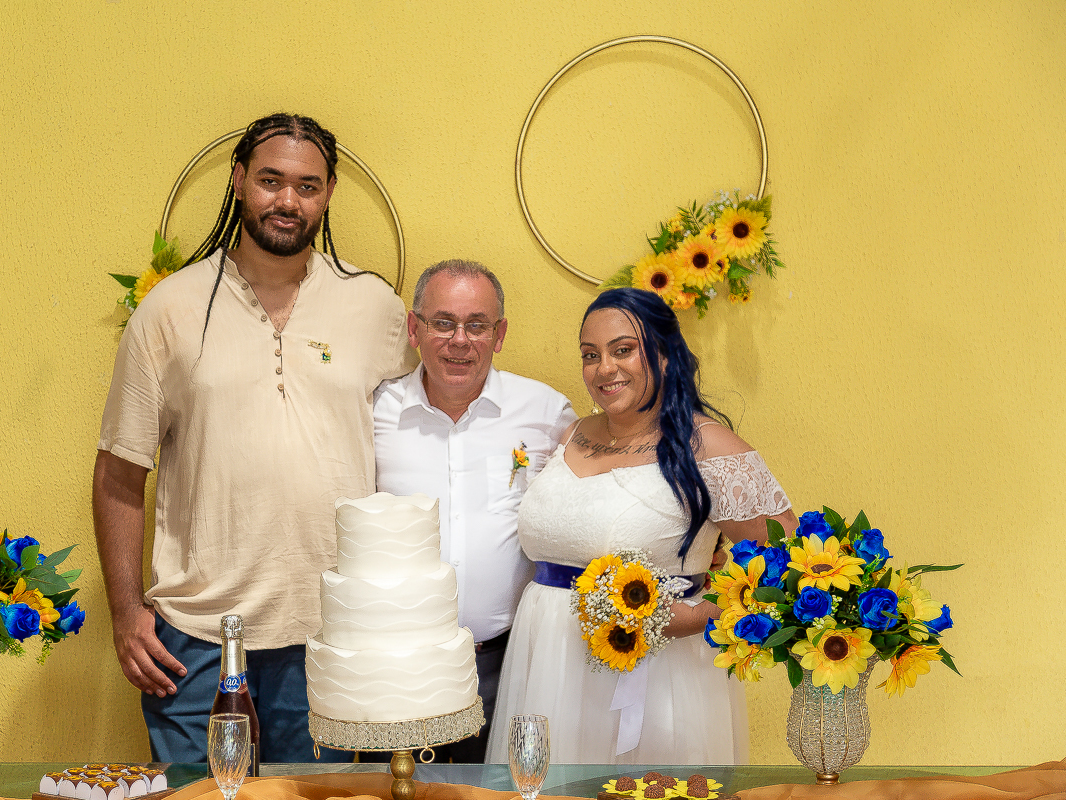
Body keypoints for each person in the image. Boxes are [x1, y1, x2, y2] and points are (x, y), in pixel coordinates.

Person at [93, 113, 413, 763]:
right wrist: (126, 614)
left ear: (328, 195)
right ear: (238, 180)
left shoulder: (375, 306)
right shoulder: (170, 308)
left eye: (307, 186)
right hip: (195, 635)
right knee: (200, 797)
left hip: (329, 628)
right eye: (271, 180)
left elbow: (415, 442)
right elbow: (118, 473)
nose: (288, 200)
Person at [485, 287, 797, 765]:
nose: (604, 368)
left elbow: (788, 562)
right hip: (547, 662)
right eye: (591, 355)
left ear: (665, 354)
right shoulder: (572, 435)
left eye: (623, 350)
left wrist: (698, 615)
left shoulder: (708, 447)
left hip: (658, 674)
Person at [373, 260, 577, 761]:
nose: (459, 340)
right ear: (415, 329)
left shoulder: (547, 413)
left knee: (507, 792)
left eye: (477, 325)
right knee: (401, 792)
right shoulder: (374, 411)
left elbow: (597, 495)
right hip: (399, 669)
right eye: (443, 323)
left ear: (499, 334)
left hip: (509, 664)